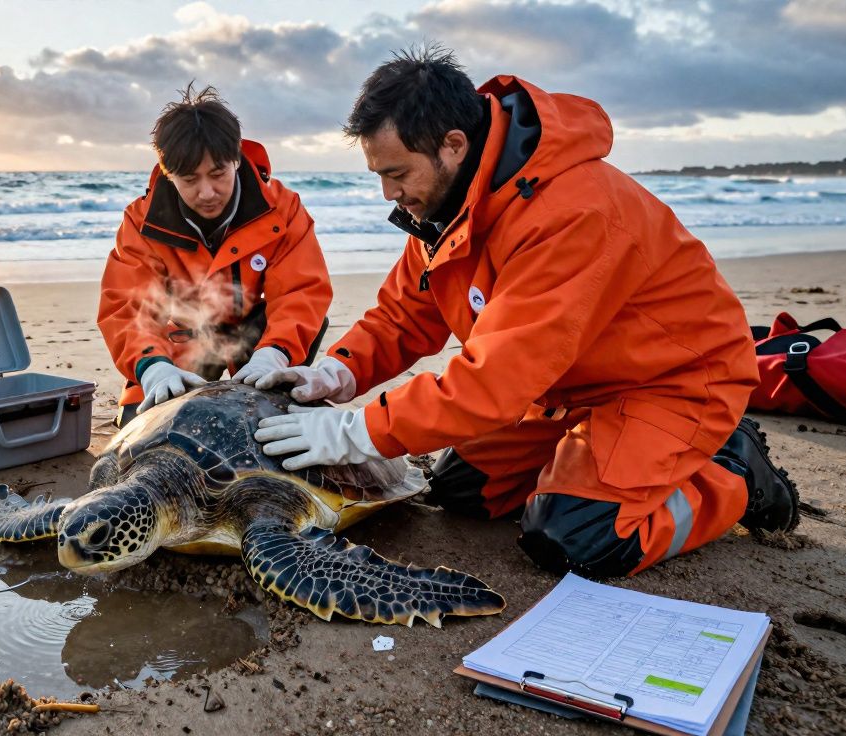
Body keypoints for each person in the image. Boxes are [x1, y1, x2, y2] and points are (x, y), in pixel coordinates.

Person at [251, 47, 799, 578]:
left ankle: (732, 472)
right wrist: (336, 372)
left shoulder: (572, 211)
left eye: (396, 174)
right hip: (568, 386)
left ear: (454, 145)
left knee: (573, 537)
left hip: (673, 383)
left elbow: (495, 379)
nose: (388, 193)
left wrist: (356, 431)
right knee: (465, 491)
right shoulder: (448, 203)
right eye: (378, 175)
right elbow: (404, 314)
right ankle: (601, 463)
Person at [98, 85, 331, 428]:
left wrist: (275, 353)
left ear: (236, 158)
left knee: (272, 421)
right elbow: (126, 308)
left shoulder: (283, 209)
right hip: (184, 340)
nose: (206, 192)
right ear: (167, 172)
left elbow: (302, 292)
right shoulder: (140, 221)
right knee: (141, 427)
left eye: (218, 173)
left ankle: (275, 384)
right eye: (189, 179)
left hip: (256, 338)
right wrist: (152, 367)